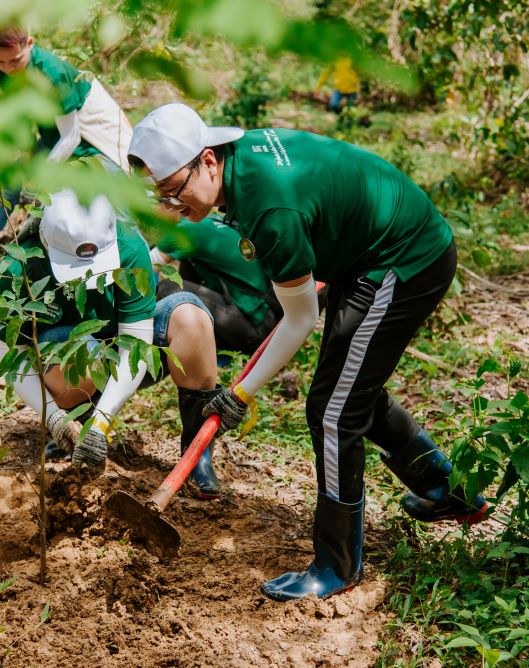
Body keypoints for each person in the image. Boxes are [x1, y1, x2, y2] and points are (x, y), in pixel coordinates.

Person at [126, 103, 489, 602]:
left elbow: (299, 318)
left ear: (208, 160)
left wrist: (241, 394)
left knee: (334, 411)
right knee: (349, 388)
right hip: (364, 255)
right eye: (160, 197)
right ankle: (447, 490)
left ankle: (337, 565)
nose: (171, 207)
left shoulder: (271, 212)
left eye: (174, 191)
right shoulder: (238, 165)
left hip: (402, 261)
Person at [0, 190, 224, 498]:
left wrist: (103, 422)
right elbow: (12, 359)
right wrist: (56, 420)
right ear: (46, 241)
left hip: (124, 349)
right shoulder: (16, 268)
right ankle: (75, 427)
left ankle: (197, 452)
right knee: (74, 361)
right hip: (68, 357)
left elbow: (136, 344)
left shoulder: (128, 247)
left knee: (192, 319)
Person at [0, 26, 133, 288]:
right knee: (6, 184)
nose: (8, 68)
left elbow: (72, 136)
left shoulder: (53, 73)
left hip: (98, 147)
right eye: (0, 61)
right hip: (56, 142)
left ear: (29, 43)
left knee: (109, 216)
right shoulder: (6, 66)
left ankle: (137, 275)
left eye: (15, 60)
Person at [149, 214, 281, 356]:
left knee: (169, 289)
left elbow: (142, 269)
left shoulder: (186, 229)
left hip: (256, 332)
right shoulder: (210, 220)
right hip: (271, 323)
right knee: (183, 277)